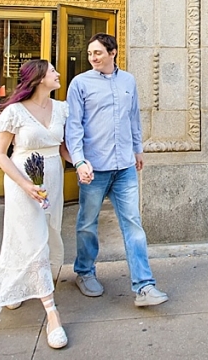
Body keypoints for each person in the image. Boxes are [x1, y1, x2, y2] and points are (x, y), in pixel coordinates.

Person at [65, 33, 169, 307]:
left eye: (97, 52)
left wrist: (137, 149)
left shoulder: (128, 81)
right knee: (87, 223)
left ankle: (144, 287)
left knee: (133, 224)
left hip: (124, 167)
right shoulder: (80, 84)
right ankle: (84, 272)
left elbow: (133, 117)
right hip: (94, 167)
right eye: (89, 53)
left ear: (113, 53)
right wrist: (78, 161)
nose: (92, 57)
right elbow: (73, 126)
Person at [0, 59, 70, 349]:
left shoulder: (61, 108)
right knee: (33, 238)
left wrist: (86, 164)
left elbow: (62, 148)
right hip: (23, 180)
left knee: (47, 234)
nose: (58, 74)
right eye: (53, 71)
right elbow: (1, 154)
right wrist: (25, 185)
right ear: (38, 78)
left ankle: (17, 285)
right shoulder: (14, 112)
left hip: (52, 178)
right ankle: (52, 314)